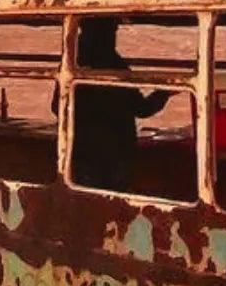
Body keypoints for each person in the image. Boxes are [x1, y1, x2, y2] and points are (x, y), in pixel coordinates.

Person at [68, 19, 174, 193]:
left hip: (81, 152)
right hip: (116, 154)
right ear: (106, 33)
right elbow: (142, 108)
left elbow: (56, 107)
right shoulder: (115, 64)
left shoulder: (71, 60)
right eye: (113, 30)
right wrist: (165, 91)